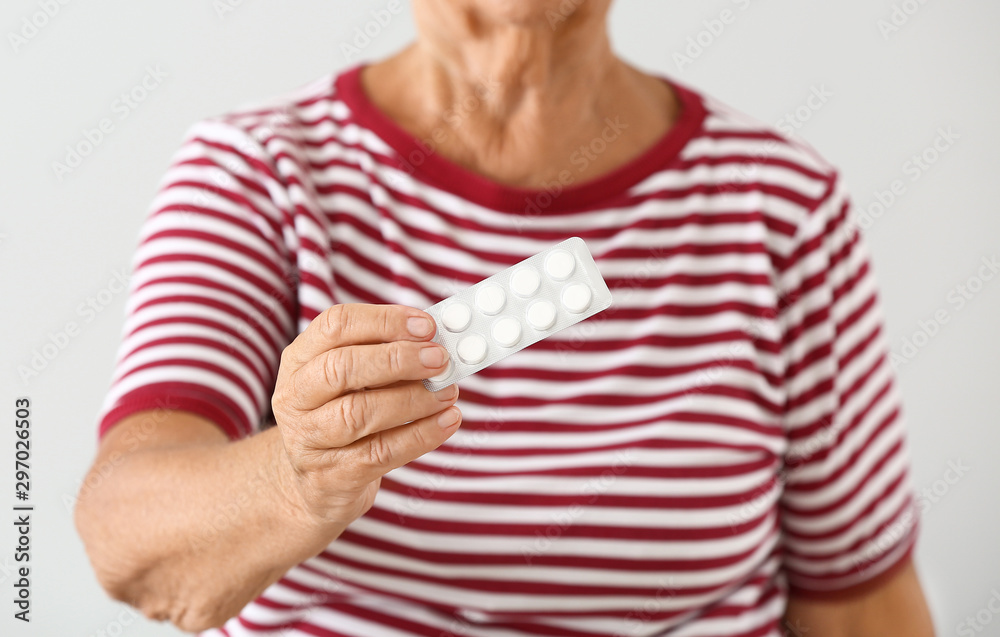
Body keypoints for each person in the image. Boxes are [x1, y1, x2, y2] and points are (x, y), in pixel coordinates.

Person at [75, 1, 936, 635]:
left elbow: (862, 602)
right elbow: (130, 542)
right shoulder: (257, 174)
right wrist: (301, 475)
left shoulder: (779, 205)